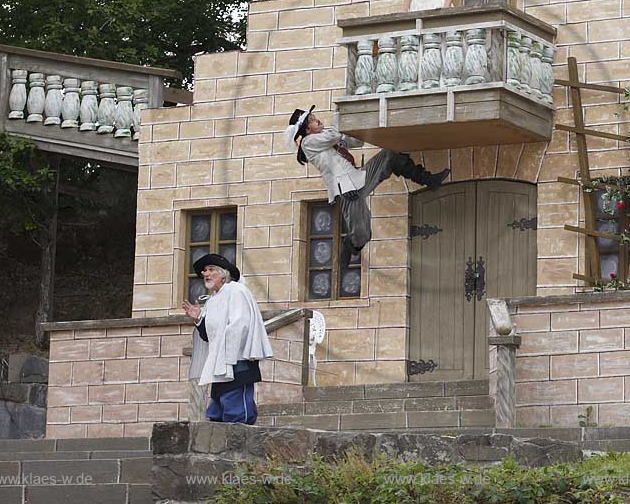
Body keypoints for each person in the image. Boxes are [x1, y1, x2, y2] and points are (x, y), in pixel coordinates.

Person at [285, 105, 450, 266]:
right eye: (313, 120)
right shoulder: (308, 142)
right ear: (307, 130)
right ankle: (350, 244)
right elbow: (335, 134)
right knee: (363, 234)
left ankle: (429, 180)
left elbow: (354, 141)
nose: (318, 120)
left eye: (315, 117)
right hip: (345, 191)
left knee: (390, 155)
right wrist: (340, 113)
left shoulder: (323, 136)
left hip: (359, 178)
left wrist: (356, 127)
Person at [182, 253, 273, 425]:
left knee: (236, 411)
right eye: (204, 271)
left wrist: (227, 355)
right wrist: (199, 319)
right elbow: (209, 336)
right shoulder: (213, 300)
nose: (205, 274)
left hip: (237, 362)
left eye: (211, 270)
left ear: (224, 274)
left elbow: (240, 325)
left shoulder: (236, 291)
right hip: (221, 365)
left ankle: (240, 447)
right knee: (217, 410)